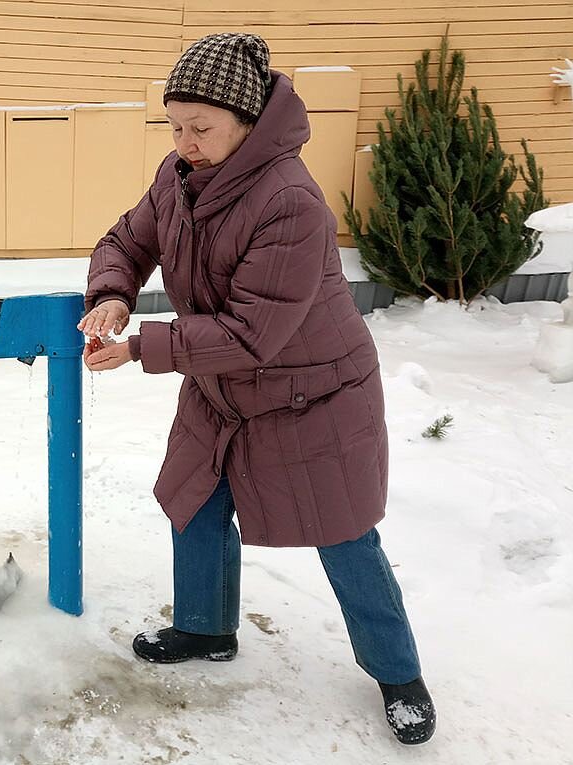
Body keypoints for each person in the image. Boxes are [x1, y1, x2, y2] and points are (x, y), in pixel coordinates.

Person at [78, 32, 436, 746]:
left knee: (344, 534)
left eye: (201, 128)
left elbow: (251, 333)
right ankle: (204, 629)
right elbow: (128, 238)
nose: (185, 141)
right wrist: (115, 291)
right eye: (174, 125)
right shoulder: (176, 175)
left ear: (245, 121)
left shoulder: (290, 202)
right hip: (221, 387)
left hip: (313, 395)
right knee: (195, 503)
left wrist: (146, 344)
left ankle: (400, 675)